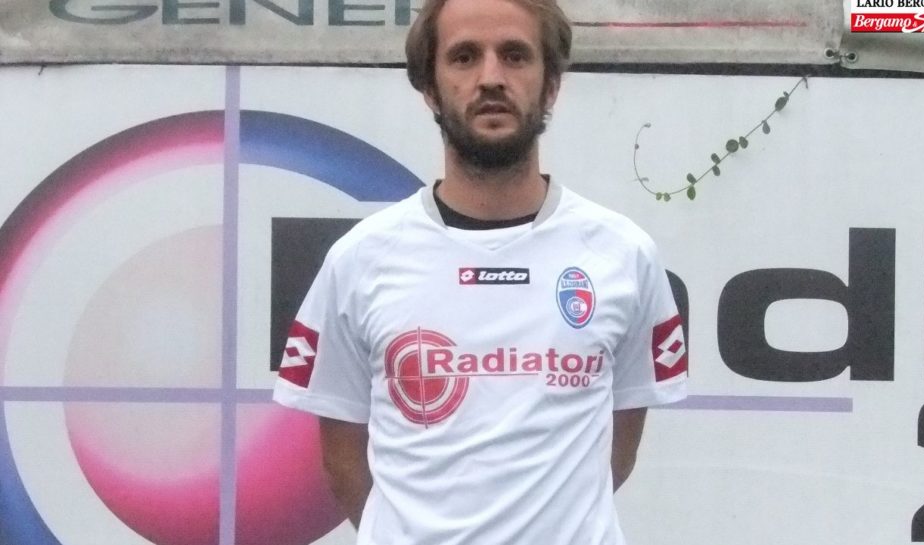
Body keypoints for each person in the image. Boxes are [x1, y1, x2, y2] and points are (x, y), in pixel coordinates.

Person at [273, 0, 688, 542]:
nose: (491, 77)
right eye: (464, 57)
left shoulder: (623, 254)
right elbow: (342, 459)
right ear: (430, 88)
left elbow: (618, 449)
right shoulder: (360, 259)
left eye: (515, 55)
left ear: (551, 84)